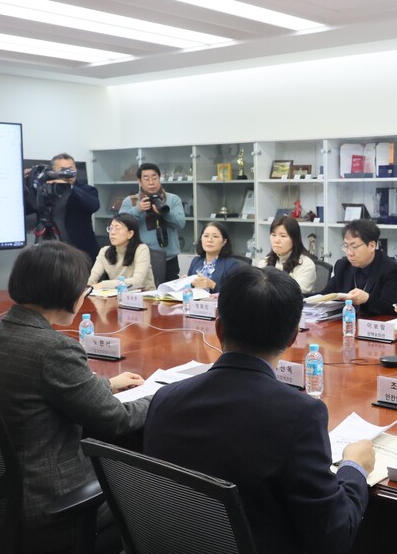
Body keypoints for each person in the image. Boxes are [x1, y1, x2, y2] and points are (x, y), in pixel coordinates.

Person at [143, 267, 375, 554]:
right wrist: (354, 467)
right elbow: (335, 537)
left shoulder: (165, 399)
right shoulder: (300, 415)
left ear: (218, 328)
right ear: (292, 338)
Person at [0, 242, 150, 554]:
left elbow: (39, 388)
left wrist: (106, 385)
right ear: (66, 292)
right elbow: (117, 420)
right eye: (85, 288)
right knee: (153, 494)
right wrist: (162, 397)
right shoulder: (54, 349)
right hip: (53, 504)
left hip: (0, 494)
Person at [320, 219, 397, 315]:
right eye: (346, 246)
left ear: (372, 246)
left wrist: (367, 299)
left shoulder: (391, 270)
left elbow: (392, 308)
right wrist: (306, 299)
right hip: (346, 321)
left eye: (354, 247)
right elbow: (326, 295)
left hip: (375, 322)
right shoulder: (342, 266)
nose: (349, 253)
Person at [24, 153, 101, 259]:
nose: (67, 173)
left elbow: (94, 206)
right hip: (52, 251)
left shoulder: (86, 190)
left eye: (71, 169)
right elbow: (25, 210)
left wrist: (70, 187)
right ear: (53, 172)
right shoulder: (46, 191)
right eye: (63, 170)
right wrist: (25, 184)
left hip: (81, 252)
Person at [119, 162, 185, 283]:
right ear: (139, 181)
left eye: (155, 178)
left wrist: (166, 213)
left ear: (160, 178)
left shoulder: (173, 199)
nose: (151, 182)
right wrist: (137, 210)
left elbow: (181, 223)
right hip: (139, 259)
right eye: (146, 178)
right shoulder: (131, 201)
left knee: (170, 292)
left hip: (169, 258)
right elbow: (120, 226)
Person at [88, 213, 155, 290]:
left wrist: (103, 284)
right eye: (110, 228)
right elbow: (91, 280)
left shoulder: (141, 249)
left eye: (117, 228)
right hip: (117, 295)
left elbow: (137, 281)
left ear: (130, 234)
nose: (112, 232)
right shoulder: (104, 251)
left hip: (145, 295)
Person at [258, 216, 316, 294]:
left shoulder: (306, 264)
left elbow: (294, 293)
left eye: (283, 236)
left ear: (294, 239)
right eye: (273, 235)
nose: (276, 240)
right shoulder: (264, 262)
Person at [188, 221, 242, 292]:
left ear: (224, 242)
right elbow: (190, 289)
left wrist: (213, 285)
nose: (209, 240)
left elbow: (234, 293)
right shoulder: (196, 261)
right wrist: (186, 282)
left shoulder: (231, 265)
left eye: (215, 236)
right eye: (206, 236)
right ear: (201, 239)